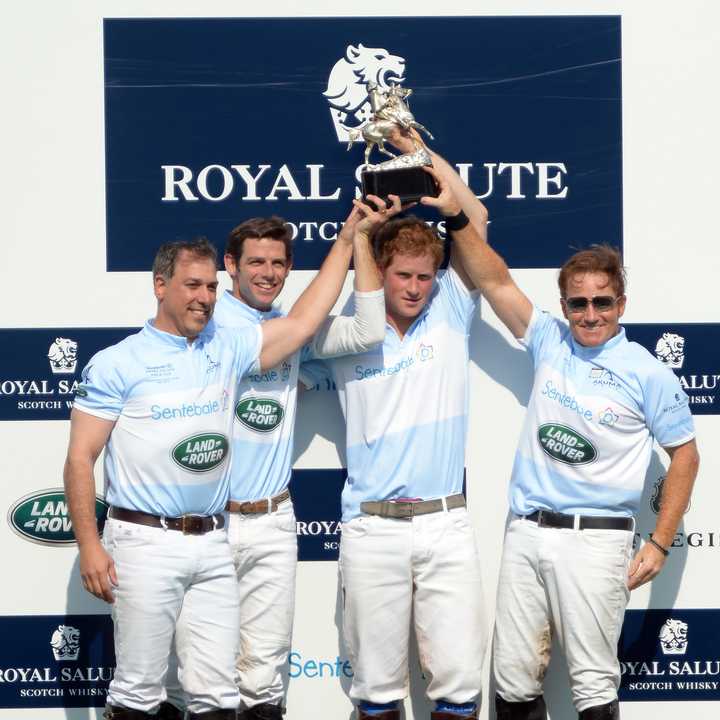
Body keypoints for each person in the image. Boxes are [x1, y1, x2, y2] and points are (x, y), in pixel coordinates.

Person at [63, 218, 389, 720]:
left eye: (211, 286)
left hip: (213, 542)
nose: (204, 296)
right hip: (145, 541)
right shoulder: (117, 362)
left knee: (216, 698)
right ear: (160, 286)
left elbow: (303, 324)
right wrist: (89, 543)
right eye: (193, 285)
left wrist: (348, 240)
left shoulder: (227, 348)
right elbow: (80, 459)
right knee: (139, 694)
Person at [421, 144, 700, 720]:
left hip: (598, 541)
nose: (590, 314)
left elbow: (686, 457)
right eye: (579, 303)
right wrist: (455, 220)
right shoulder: (551, 340)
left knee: (595, 685)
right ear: (565, 304)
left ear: (622, 302)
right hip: (526, 534)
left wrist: (660, 540)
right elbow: (494, 280)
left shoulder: (649, 372)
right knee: (515, 682)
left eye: (602, 302)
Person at [162, 202, 395, 720]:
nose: (267, 274)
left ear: (289, 269)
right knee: (199, 678)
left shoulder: (292, 330)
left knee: (264, 680)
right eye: (255, 264)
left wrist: (358, 241)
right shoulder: (206, 324)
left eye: (277, 264)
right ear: (230, 265)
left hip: (271, 519)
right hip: (208, 525)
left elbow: (367, 332)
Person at [320, 180, 489, 719]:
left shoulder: (451, 309)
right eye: (402, 276)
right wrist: (354, 238)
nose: (415, 288)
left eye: (424, 276)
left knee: (461, 686)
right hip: (372, 528)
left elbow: (476, 220)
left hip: (446, 522)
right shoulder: (343, 332)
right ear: (379, 271)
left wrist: (411, 144)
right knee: (375, 690)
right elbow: (274, 340)